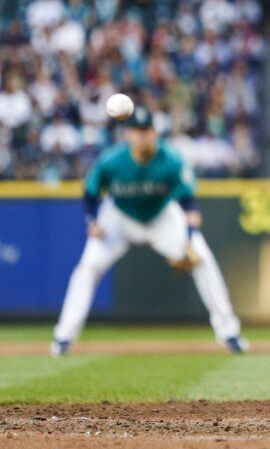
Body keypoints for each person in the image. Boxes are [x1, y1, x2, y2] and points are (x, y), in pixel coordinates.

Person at [52, 108, 246, 356]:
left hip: (161, 217)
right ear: (128, 134)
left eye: (146, 131)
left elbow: (188, 202)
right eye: (136, 131)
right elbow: (90, 193)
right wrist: (92, 221)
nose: (142, 136)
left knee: (203, 259)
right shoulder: (111, 161)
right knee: (88, 268)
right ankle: (63, 337)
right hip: (118, 218)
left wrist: (189, 235)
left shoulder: (172, 160)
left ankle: (229, 333)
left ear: (155, 133)